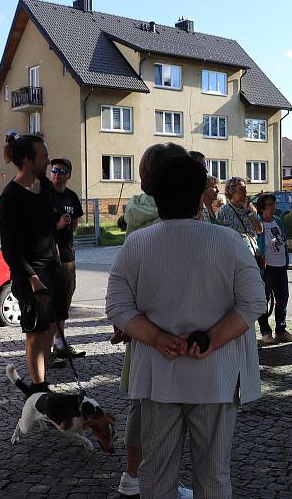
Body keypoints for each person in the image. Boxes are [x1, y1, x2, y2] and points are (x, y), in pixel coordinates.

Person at [106, 154, 265, 498]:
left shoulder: (137, 243)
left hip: (157, 375)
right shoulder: (228, 241)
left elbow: (117, 306)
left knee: (156, 472)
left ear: (156, 196)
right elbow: (253, 302)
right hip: (215, 376)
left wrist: (157, 337)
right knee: (213, 473)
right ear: (201, 195)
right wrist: (211, 339)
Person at [113, 142, 192, 498]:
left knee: (142, 403)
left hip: (142, 324)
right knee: (158, 407)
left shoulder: (135, 215)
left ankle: (135, 475)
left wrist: (126, 323)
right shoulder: (173, 216)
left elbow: (126, 280)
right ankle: (148, 480)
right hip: (166, 325)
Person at [0, 132, 70, 394]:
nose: (49, 161)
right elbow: (10, 249)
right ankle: (39, 388)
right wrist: (31, 277)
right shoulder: (11, 197)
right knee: (35, 333)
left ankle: (44, 373)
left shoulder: (44, 185)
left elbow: (46, 228)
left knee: (54, 324)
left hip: (52, 267)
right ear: (28, 159)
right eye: (43, 156)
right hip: (31, 274)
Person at [49, 157, 86, 360]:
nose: (57, 173)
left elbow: (75, 223)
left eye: (62, 171)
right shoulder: (46, 195)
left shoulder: (71, 196)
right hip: (48, 256)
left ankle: (60, 342)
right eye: (54, 170)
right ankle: (49, 346)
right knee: (52, 300)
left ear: (69, 175)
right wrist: (58, 225)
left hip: (67, 254)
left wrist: (67, 226)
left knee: (66, 297)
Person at [255, 194, 292, 345]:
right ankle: (265, 332)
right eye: (270, 204)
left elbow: (283, 240)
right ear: (262, 208)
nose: (274, 206)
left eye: (274, 203)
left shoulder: (277, 221)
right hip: (267, 268)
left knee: (283, 298)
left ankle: (281, 330)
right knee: (263, 300)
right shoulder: (257, 223)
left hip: (280, 265)